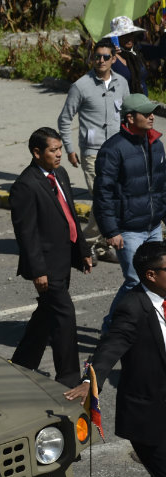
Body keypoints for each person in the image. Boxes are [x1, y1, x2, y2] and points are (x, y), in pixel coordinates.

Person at [65, 241, 166, 477]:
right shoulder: (133, 307)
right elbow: (112, 345)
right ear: (151, 275)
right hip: (148, 414)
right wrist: (90, 381)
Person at [8, 127, 92, 384]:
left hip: (63, 259)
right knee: (64, 315)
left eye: (59, 149)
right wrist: (38, 271)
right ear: (37, 153)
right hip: (46, 265)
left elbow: (70, 216)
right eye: (53, 150)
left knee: (46, 314)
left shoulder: (60, 174)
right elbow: (27, 233)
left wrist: (83, 250)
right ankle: (68, 378)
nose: (58, 155)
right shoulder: (25, 186)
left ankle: (22, 362)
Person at [92, 93, 166, 327]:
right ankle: (111, 327)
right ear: (130, 118)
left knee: (156, 280)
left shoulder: (156, 144)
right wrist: (111, 230)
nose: (152, 117)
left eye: (152, 112)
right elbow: (103, 193)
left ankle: (151, 327)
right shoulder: (112, 150)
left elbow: (162, 188)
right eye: (146, 113)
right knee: (135, 280)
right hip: (129, 230)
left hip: (153, 227)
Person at [57, 37, 130, 262]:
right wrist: (69, 149)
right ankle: (87, 245)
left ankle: (97, 245)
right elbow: (64, 120)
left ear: (113, 59)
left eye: (105, 57)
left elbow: (128, 114)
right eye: (97, 56)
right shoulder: (81, 86)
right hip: (92, 152)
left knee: (110, 199)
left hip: (118, 150)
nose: (100, 60)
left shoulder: (122, 83)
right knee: (101, 197)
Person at [109, 15, 150, 95]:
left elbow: (161, 50)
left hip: (143, 102)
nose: (128, 38)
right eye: (124, 35)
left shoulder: (137, 52)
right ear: (116, 37)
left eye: (131, 34)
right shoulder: (110, 57)